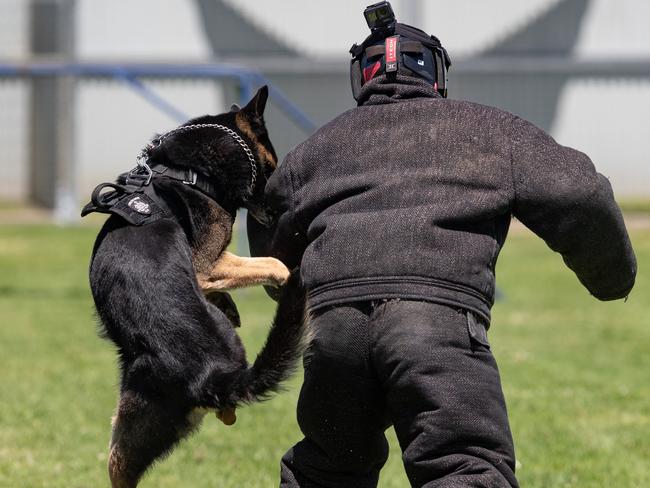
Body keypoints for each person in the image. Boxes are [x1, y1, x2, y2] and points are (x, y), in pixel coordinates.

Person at [247, 6, 637, 487]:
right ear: (436, 73)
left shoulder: (315, 150)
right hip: (433, 324)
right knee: (463, 467)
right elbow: (580, 190)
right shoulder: (487, 129)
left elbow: (270, 221)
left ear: (361, 78)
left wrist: (283, 291)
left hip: (333, 333)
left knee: (327, 471)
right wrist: (612, 277)